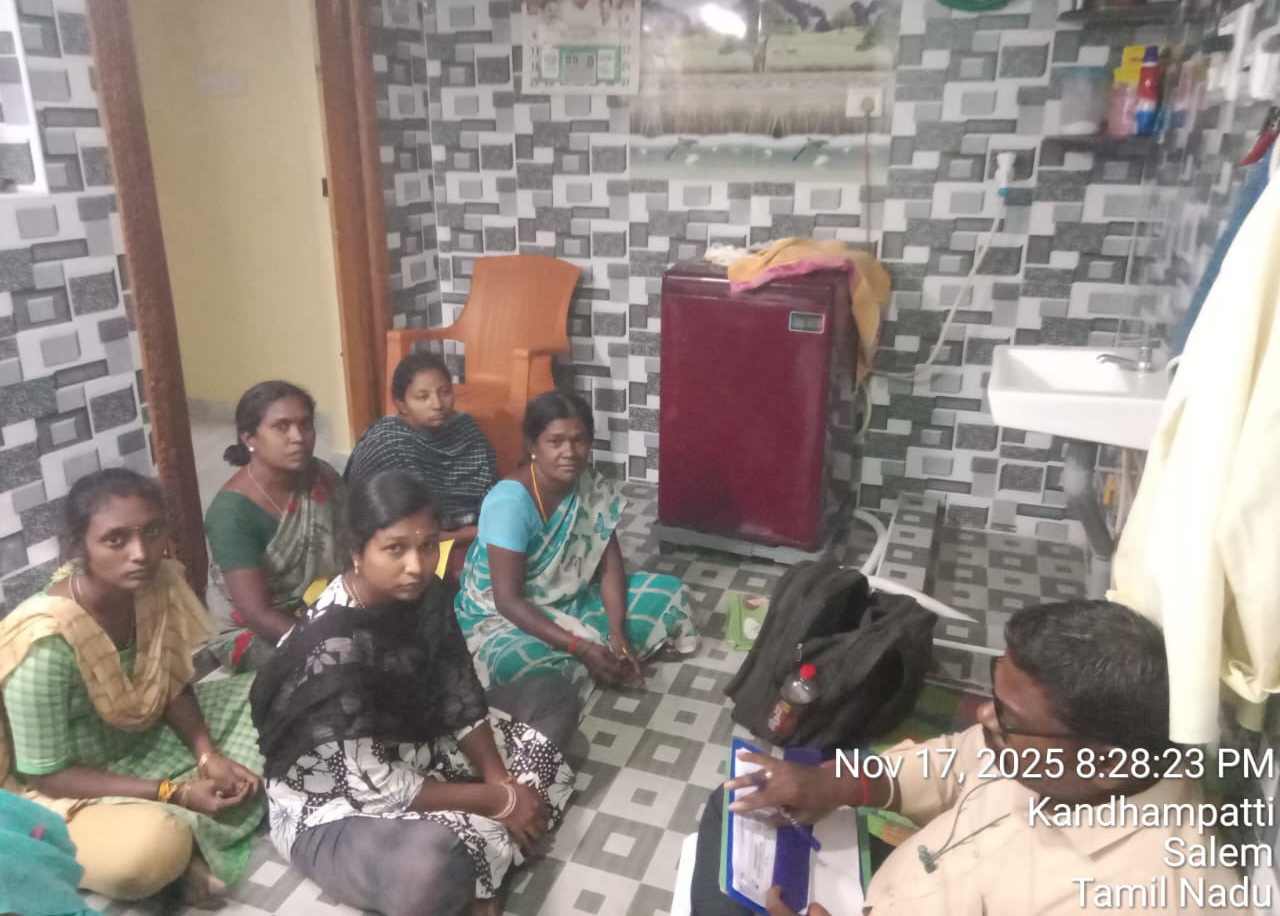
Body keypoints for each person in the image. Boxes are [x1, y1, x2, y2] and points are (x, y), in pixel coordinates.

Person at [690, 601, 1249, 916]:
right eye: (994, 695)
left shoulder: (1149, 894)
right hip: (886, 889)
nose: (983, 717)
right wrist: (835, 785)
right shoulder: (1060, 759)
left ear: (1105, 763)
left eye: (1009, 718)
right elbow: (951, 765)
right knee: (742, 805)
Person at [251, 470, 577, 916]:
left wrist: (499, 781)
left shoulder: (425, 594)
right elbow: (374, 786)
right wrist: (500, 800)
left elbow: (459, 693)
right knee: (427, 867)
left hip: (424, 749)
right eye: (395, 549)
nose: (417, 566)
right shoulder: (333, 645)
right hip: (338, 805)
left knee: (553, 696)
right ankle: (496, 838)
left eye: (428, 546)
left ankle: (487, 850)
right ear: (356, 552)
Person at [0, 470, 263, 906]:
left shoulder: (158, 586)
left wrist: (207, 754)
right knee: (144, 853)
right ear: (79, 545)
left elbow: (170, 680)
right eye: (115, 539)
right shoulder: (45, 641)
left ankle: (191, 846)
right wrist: (174, 792)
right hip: (74, 784)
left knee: (279, 702)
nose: (141, 554)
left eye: (152, 531)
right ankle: (179, 852)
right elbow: (47, 775)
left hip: (148, 740)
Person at [455, 390, 698, 701]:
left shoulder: (590, 485)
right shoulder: (509, 503)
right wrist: (579, 647)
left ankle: (600, 657)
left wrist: (617, 633)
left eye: (579, 440)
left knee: (671, 593)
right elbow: (508, 601)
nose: (569, 452)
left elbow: (610, 567)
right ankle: (588, 660)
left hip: (572, 600)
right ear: (532, 446)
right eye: (555, 442)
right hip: (505, 618)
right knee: (533, 671)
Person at [203, 380, 346, 671]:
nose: (298, 437)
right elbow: (256, 614)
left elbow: (355, 547)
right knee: (344, 657)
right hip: (256, 633)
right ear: (250, 438)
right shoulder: (232, 513)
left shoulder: (321, 476)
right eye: (282, 427)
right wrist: (319, 641)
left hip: (323, 606)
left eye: (305, 424)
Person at [344, 351, 497, 549]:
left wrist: (485, 529)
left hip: (476, 538)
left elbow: (494, 496)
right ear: (401, 404)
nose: (437, 404)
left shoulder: (466, 429)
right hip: (410, 547)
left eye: (445, 392)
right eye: (423, 397)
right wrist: (474, 533)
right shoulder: (386, 443)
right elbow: (380, 524)